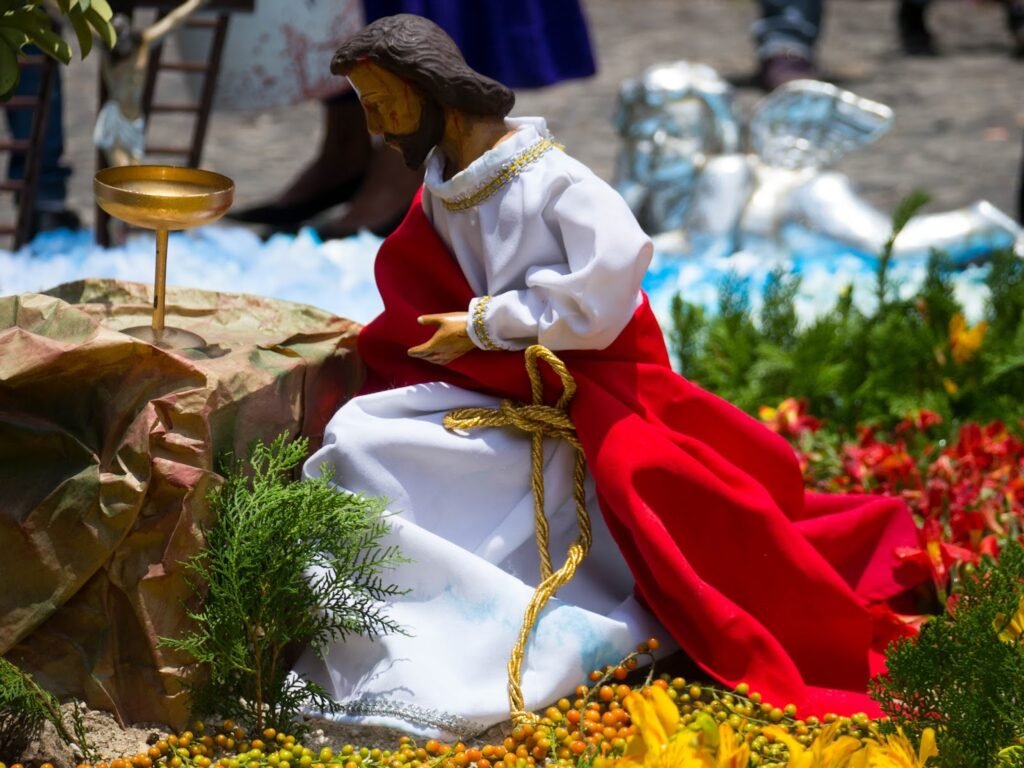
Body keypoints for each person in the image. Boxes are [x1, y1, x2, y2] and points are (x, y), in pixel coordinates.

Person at [295, 14, 923, 739]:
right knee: (363, 434)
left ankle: (476, 642)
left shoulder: (554, 183)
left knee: (381, 450)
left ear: (426, 89)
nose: (374, 125)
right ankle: (395, 633)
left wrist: (482, 327)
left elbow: (602, 294)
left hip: (582, 388)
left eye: (381, 104)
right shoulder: (449, 180)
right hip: (499, 380)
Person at [229, 1, 596, 241]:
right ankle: (345, 151)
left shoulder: (563, 186)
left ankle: (397, 172)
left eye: (380, 108)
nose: (376, 127)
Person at [95, 0, 208, 166]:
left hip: (135, 119)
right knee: (123, 175)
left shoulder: (143, 44)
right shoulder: (107, 50)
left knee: (135, 178)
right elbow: (69, 19)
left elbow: (174, 20)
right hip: (115, 118)